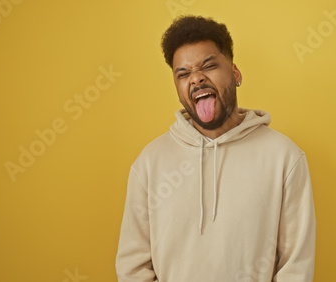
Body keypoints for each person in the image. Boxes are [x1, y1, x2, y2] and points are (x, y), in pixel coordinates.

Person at [116, 15, 316, 282]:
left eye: (208, 66)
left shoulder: (284, 158)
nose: (196, 79)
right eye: (183, 74)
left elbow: (296, 266)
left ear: (235, 74)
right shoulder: (149, 163)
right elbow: (133, 266)